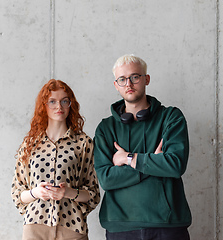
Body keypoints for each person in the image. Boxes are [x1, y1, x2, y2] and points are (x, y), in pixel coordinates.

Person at [94, 54, 192, 240]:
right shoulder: (106, 129)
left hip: (168, 225)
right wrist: (153, 162)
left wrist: (129, 159)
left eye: (135, 77)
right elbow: (106, 179)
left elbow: (175, 164)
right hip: (120, 227)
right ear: (116, 85)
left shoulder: (171, 117)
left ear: (146, 79)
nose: (128, 84)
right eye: (122, 79)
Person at [11, 79, 100, 240]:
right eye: (52, 101)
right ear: (43, 106)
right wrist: (36, 192)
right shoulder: (30, 143)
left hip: (72, 227)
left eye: (64, 101)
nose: (59, 107)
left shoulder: (83, 143)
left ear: (70, 104)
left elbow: (93, 194)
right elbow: (17, 194)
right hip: (35, 227)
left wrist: (68, 192)